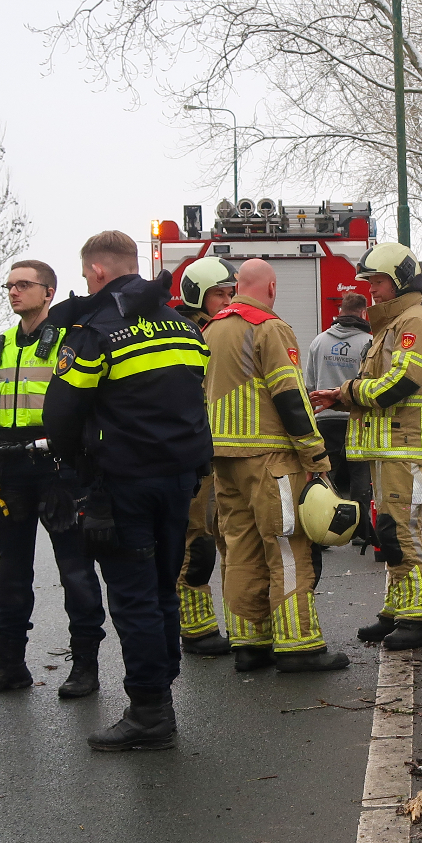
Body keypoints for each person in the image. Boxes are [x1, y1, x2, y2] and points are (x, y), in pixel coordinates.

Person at [43, 230, 211, 751]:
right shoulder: (181, 323)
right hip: (179, 477)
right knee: (162, 585)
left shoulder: (95, 329)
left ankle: (149, 711)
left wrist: (73, 465)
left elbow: (62, 412)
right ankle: (161, 686)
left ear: (96, 271)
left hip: (122, 484)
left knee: (133, 595)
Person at [0, 259, 109, 700]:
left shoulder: (70, 340)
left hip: (56, 469)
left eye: (23, 285)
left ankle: (85, 665)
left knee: (75, 569)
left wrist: (77, 465)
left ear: (49, 292)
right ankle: (10, 665)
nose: (13, 292)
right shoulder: (2, 343)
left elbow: (87, 405)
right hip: (8, 469)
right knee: (11, 571)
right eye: (9, 285)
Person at [204, 259, 349, 673]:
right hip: (271, 460)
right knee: (287, 547)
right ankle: (298, 645)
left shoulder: (212, 329)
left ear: (235, 287)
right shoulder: (269, 327)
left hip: (225, 460)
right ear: (270, 287)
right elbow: (289, 397)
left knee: (241, 549)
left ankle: (250, 643)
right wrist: (315, 456)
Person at [308, 242, 422, 651]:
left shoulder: (415, 323)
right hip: (389, 449)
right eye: (369, 283)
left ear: (401, 280)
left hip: (408, 448)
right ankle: (395, 614)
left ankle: (418, 621)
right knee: (389, 534)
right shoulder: (391, 324)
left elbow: (400, 383)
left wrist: (346, 392)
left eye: (379, 281)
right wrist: (343, 396)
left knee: (403, 534)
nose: (372, 290)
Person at [174, 257, 240, 656]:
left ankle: (239, 621)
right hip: (192, 451)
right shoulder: (184, 333)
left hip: (221, 450)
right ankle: (195, 628)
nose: (228, 299)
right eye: (220, 293)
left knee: (228, 536)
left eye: (231, 292)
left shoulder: (218, 330)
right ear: (197, 295)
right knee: (195, 540)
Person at [306, 290, 372, 522]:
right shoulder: (369, 343)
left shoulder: (319, 341)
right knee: (360, 473)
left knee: (326, 472)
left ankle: (324, 526)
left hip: (326, 418)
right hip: (357, 419)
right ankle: (361, 530)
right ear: (364, 312)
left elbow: (309, 384)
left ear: (340, 312)